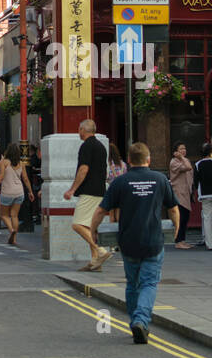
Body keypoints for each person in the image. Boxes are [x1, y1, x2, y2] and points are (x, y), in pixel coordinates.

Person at [90, 141, 180, 344]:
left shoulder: (121, 182)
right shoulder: (160, 179)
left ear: (129, 161)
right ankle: (141, 320)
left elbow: (100, 210)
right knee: (149, 283)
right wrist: (176, 229)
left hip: (128, 242)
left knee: (132, 284)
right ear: (149, 159)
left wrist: (93, 230)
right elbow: (173, 208)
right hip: (153, 241)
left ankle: (135, 323)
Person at [63, 118, 111, 272]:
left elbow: (83, 169)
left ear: (84, 130)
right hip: (100, 190)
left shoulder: (86, 146)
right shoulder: (100, 146)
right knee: (90, 226)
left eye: (79, 129)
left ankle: (100, 251)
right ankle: (95, 262)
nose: (78, 132)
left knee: (77, 224)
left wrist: (72, 190)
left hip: (89, 191)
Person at [0, 142, 34, 247]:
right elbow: (25, 179)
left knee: (3, 215)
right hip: (19, 192)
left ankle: (11, 230)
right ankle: (14, 239)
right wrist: (30, 191)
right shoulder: (21, 163)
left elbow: (1, 177)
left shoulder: (5, 162)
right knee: (14, 215)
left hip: (7, 192)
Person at [169, 142, 194, 248]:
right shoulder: (174, 162)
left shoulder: (185, 160)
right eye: (181, 149)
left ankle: (182, 240)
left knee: (185, 218)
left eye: (184, 148)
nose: (184, 150)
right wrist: (182, 158)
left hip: (186, 193)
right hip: (178, 193)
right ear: (175, 152)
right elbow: (188, 167)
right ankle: (178, 241)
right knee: (181, 218)